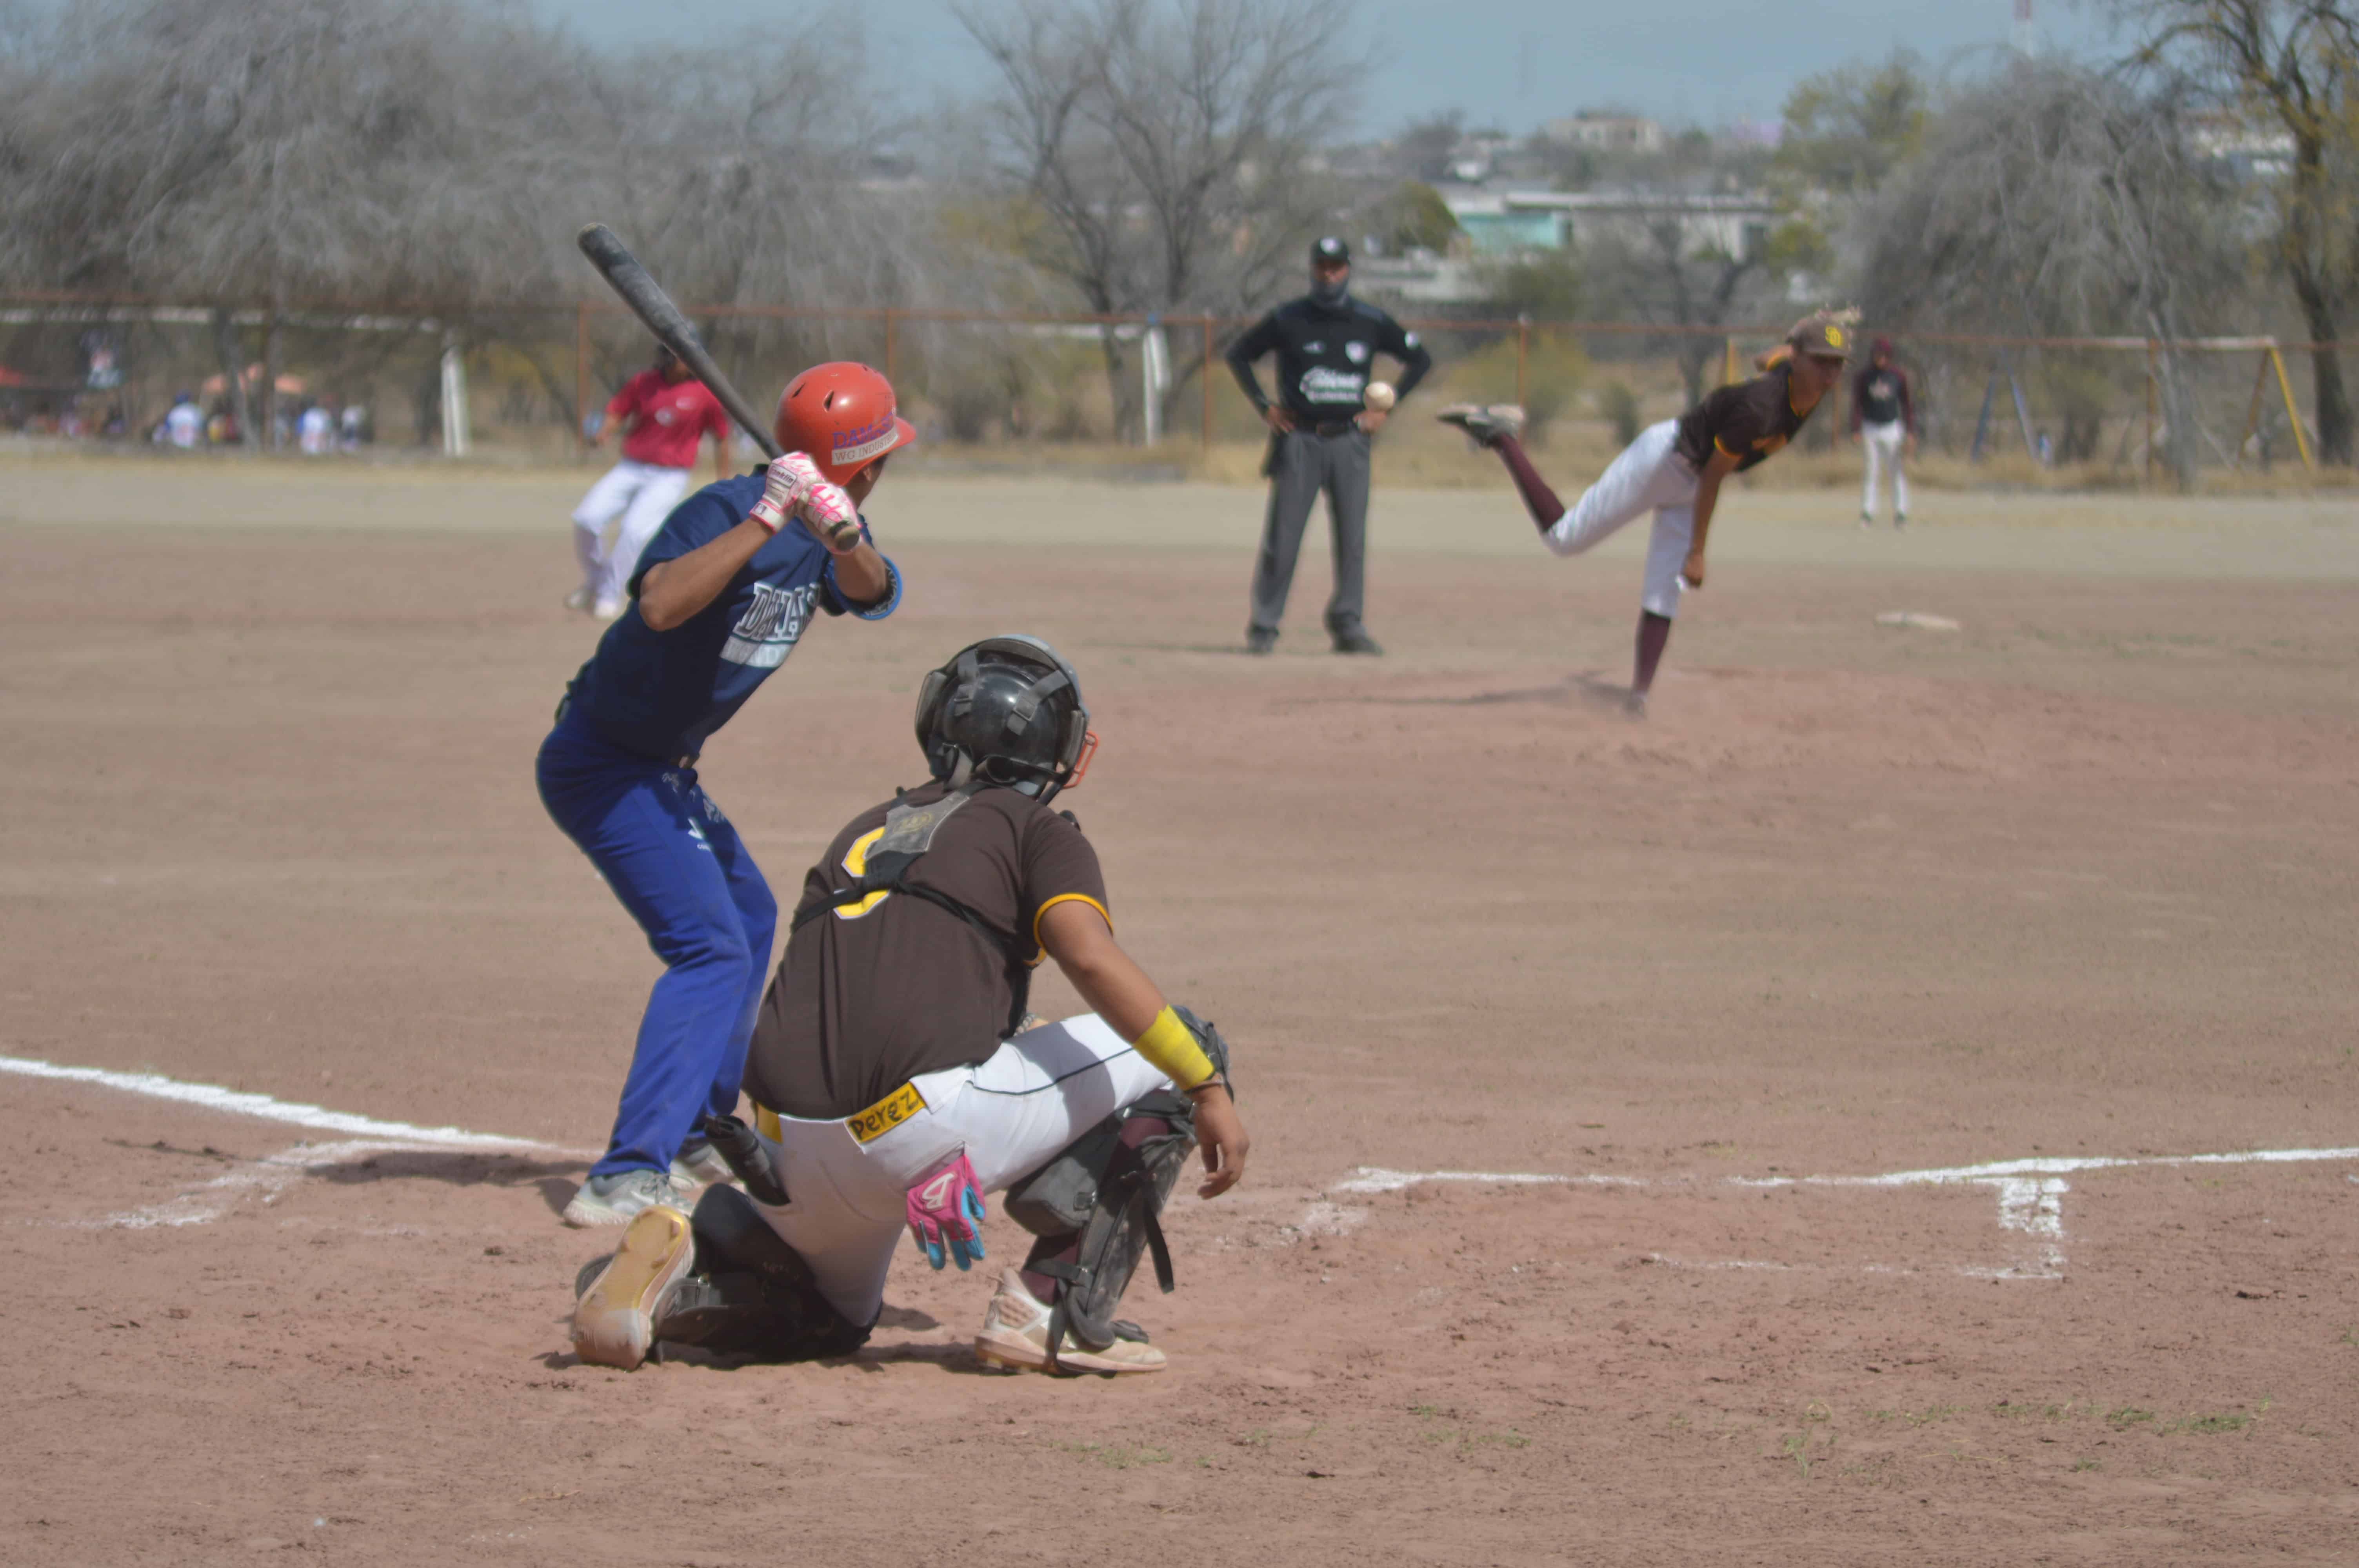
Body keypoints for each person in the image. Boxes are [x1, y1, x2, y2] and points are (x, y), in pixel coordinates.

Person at [568, 636, 1252, 1377]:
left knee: (832, 1321)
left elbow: (853, 993)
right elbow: (1088, 957)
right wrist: (1205, 1086)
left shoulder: (865, 827)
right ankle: (1055, 1309)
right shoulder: (1036, 830)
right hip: (919, 1127)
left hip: (784, 1149)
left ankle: (697, 1275)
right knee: (1184, 1047)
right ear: (1062, 751)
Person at [537, 362, 915, 1228]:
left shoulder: (829, 527)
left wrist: (841, 534)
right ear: (863, 459)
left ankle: (706, 1128)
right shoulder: (721, 511)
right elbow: (662, 603)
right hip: (604, 761)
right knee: (708, 946)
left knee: (745, 918)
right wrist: (766, 517)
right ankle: (629, 1170)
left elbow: (877, 591)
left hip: (664, 766)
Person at [1438, 309, 1857, 716]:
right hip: (1664, 462)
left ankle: (1638, 696)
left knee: (1664, 591)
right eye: (1820, 361)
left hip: (1689, 484)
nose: (1830, 374)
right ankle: (1502, 436)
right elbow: (1713, 477)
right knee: (1564, 539)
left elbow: (1766, 359)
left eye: (1837, 363)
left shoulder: (1804, 385)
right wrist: (1697, 551)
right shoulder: (1760, 407)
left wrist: (1806, 334)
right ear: (1800, 359)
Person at [1225, 236, 1432, 656]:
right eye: (1322, 266)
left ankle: (1348, 623)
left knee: (1352, 537)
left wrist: (1385, 410)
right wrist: (1265, 406)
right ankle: (1264, 625)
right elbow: (1239, 354)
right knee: (1283, 537)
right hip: (1300, 438)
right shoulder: (1289, 319)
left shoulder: (1368, 320)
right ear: (1312, 268)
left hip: (1350, 441)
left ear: (1347, 269)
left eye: (1336, 266)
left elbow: (1420, 359)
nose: (1329, 274)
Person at [569, 347, 734, 621]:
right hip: (631, 467)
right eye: (682, 354)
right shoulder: (644, 383)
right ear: (668, 357)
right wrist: (604, 433)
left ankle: (609, 594)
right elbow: (618, 410)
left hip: (670, 476)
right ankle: (596, 582)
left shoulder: (705, 393)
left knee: (634, 532)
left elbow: (722, 437)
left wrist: (724, 479)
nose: (689, 360)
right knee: (586, 518)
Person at [1850, 336, 1916, 528]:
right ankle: (1868, 512)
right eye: (1877, 354)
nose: (1881, 359)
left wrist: (1910, 431)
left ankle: (1901, 512)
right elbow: (1857, 405)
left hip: (1892, 428)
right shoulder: (1864, 377)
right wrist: (1856, 428)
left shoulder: (1898, 376)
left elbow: (1907, 405)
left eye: (1884, 355)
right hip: (1870, 427)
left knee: (1896, 471)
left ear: (1890, 356)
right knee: (1871, 471)